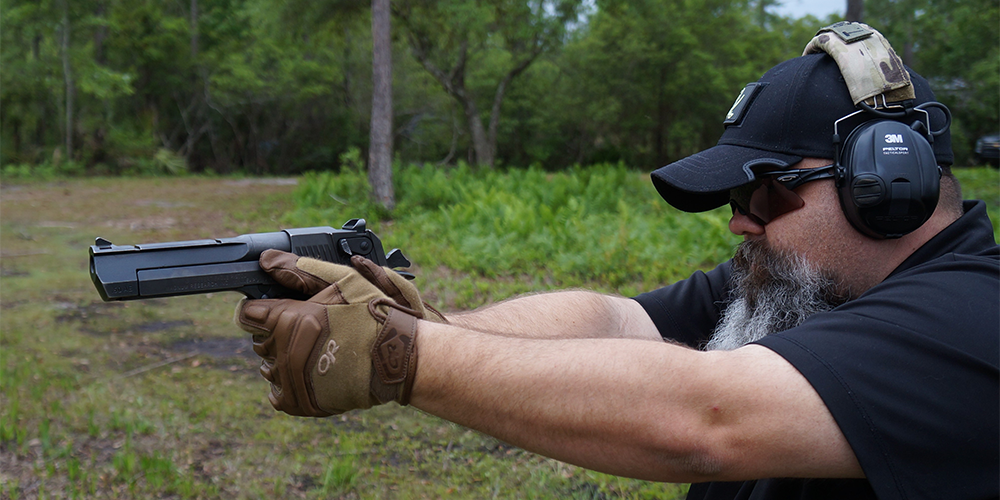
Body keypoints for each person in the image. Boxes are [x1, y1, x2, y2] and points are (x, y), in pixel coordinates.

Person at [235, 25, 1000, 500]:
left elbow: (704, 417)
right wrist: (427, 327)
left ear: (886, 183)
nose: (739, 218)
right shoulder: (809, 288)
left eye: (767, 191)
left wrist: (403, 358)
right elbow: (612, 319)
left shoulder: (972, 320)